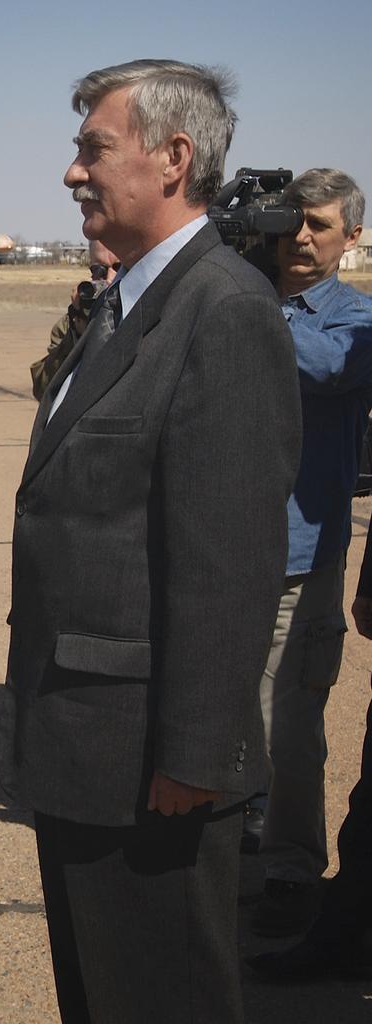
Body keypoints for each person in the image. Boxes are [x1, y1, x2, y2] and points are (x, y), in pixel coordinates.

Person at [0, 60, 301, 1023]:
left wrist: (196, 755)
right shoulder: (128, 302)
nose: (72, 173)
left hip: (152, 771)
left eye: (93, 147)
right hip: (89, 750)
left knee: (164, 999)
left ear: (173, 159)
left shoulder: (225, 311)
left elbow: (229, 563)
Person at [248, 168, 372, 936]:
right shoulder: (240, 294)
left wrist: (243, 300)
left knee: (288, 726)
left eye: (320, 225)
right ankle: (229, 845)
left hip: (300, 553)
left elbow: (330, 370)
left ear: (350, 237)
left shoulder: (353, 320)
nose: (300, 236)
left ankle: (291, 866)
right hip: (216, 549)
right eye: (291, 221)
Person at [248, 534, 372, 981]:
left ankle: (298, 878)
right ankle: (345, 928)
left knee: (285, 731)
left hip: (301, 555)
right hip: (229, 549)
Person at [30, 240, 120, 400]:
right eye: (99, 270)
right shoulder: (72, 323)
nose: (109, 278)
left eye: (119, 268)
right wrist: (77, 335)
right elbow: (43, 389)